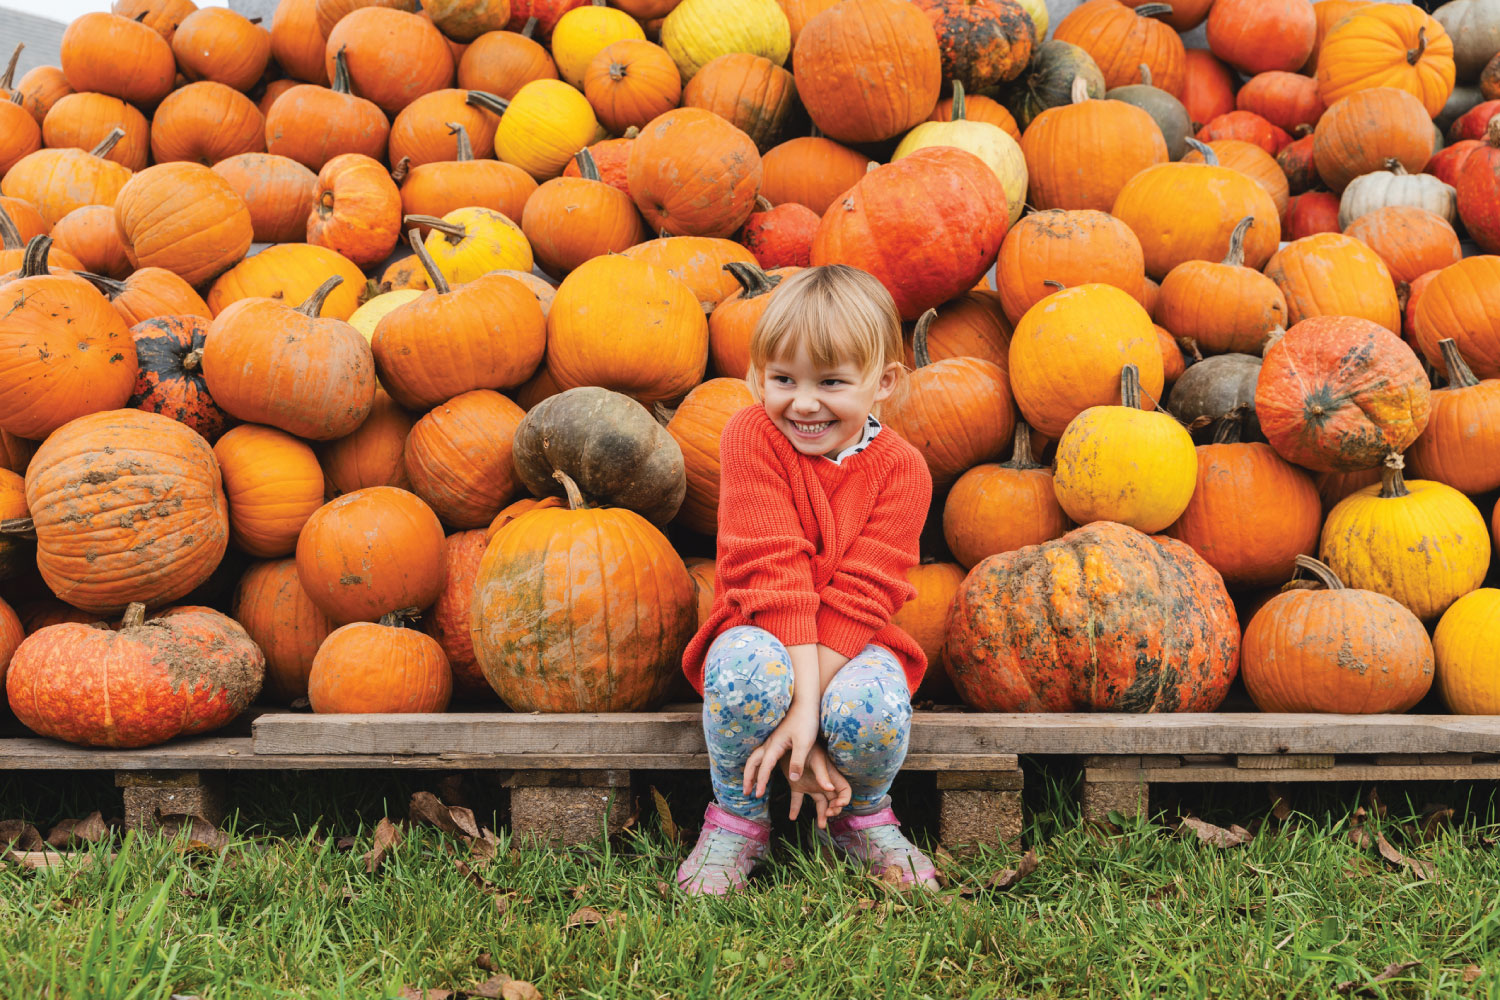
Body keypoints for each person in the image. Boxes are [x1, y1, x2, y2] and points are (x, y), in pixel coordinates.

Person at [676, 264, 935, 896]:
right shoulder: (750, 436)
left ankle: (858, 813)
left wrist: (810, 713)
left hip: (852, 641)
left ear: (884, 383)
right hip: (761, 627)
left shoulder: (904, 472)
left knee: (871, 705)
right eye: (783, 379)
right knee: (745, 672)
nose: (805, 402)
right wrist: (798, 709)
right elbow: (774, 575)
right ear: (755, 375)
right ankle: (737, 820)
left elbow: (860, 598)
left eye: (833, 382)